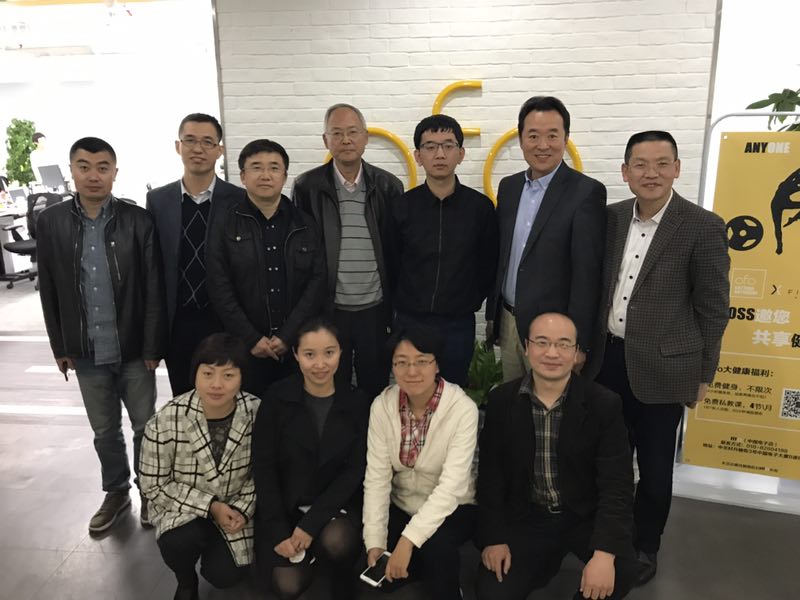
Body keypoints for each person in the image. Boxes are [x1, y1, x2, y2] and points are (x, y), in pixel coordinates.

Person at [585, 130, 730, 585]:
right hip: (607, 361)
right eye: (641, 165)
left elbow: (713, 308)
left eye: (662, 163)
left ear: (677, 169)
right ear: (625, 171)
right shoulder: (609, 218)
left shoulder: (703, 226)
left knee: (654, 469)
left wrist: (704, 373)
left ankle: (645, 545)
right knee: (607, 459)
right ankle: (605, 539)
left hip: (665, 368)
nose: (652, 173)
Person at [37, 136, 167, 532]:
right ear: (72, 171)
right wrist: (60, 346)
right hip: (86, 348)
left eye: (102, 167)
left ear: (114, 172)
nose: (93, 175)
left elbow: (153, 288)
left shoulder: (137, 220)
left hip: (133, 348)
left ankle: (150, 491)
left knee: (145, 426)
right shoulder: (51, 222)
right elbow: (49, 288)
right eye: (84, 167)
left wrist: (152, 345)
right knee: (104, 431)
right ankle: (116, 492)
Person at [475, 313, 637, 600]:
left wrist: (604, 554)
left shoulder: (603, 404)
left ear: (576, 353)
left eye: (563, 344)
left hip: (583, 516)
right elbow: (490, 477)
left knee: (620, 572)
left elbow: (617, 485)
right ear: (527, 347)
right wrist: (494, 538)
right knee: (492, 592)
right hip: (527, 517)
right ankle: (544, 563)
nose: (552, 353)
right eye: (542, 342)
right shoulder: (502, 401)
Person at [486, 96, 606, 382]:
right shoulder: (509, 187)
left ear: (566, 138)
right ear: (521, 140)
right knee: (513, 400)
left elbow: (587, 275)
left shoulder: (586, 192)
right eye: (533, 136)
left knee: (550, 404)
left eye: (552, 135)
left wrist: (578, 342)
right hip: (509, 320)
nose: (542, 145)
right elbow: (503, 256)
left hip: (555, 333)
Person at [252, 317, 369, 600]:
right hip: (286, 507)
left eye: (329, 353)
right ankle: (311, 556)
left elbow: (355, 470)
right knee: (287, 585)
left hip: (334, 506)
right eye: (309, 354)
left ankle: (339, 574)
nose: (320, 364)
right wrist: (279, 529)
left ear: (341, 353)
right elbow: (263, 467)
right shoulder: (276, 398)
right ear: (295, 354)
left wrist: (311, 524)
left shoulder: (357, 401)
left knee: (338, 542)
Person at [292, 103, 404, 399]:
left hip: (375, 309)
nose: (346, 140)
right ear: (325, 140)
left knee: (375, 386)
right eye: (337, 133)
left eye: (353, 132)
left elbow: (396, 251)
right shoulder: (307, 187)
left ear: (365, 138)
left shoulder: (388, 185)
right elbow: (301, 255)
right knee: (331, 386)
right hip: (329, 309)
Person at [139, 333, 259, 600]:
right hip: (184, 510)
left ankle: (220, 550)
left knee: (225, 576)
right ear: (195, 374)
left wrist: (243, 508)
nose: (216, 384)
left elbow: (263, 472)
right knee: (178, 541)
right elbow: (152, 484)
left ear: (242, 378)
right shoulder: (166, 418)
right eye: (207, 374)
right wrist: (210, 506)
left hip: (234, 506)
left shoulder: (256, 412)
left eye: (229, 375)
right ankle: (185, 580)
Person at [362, 327, 478, 600]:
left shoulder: (462, 409)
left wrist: (408, 540)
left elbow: (452, 487)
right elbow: (377, 479)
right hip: (403, 504)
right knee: (371, 573)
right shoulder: (382, 405)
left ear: (437, 365)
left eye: (422, 361)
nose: (411, 371)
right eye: (401, 362)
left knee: (438, 551)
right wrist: (375, 541)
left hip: (454, 508)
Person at [206, 139, 326, 397]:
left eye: (274, 167)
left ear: (284, 176)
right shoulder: (224, 224)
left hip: (296, 347)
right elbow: (219, 286)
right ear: (242, 176)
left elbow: (316, 283)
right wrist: (251, 338)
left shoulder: (305, 223)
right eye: (256, 167)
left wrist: (287, 336)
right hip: (243, 348)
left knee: (295, 413)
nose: (265, 175)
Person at [387, 114, 498, 386]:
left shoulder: (480, 208)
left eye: (448, 145)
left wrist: (469, 300)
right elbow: (390, 263)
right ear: (418, 155)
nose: (440, 154)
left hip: (458, 324)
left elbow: (488, 265)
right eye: (430, 146)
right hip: (410, 321)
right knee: (412, 389)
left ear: (461, 153)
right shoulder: (401, 207)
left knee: (452, 393)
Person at [147, 113, 242, 396]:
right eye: (190, 140)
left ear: (219, 150)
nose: (198, 149)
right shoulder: (158, 200)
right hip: (177, 323)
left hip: (223, 320)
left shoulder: (238, 199)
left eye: (207, 142)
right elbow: (153, 270)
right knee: (184, 398)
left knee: (224, 396)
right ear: (178, 146)